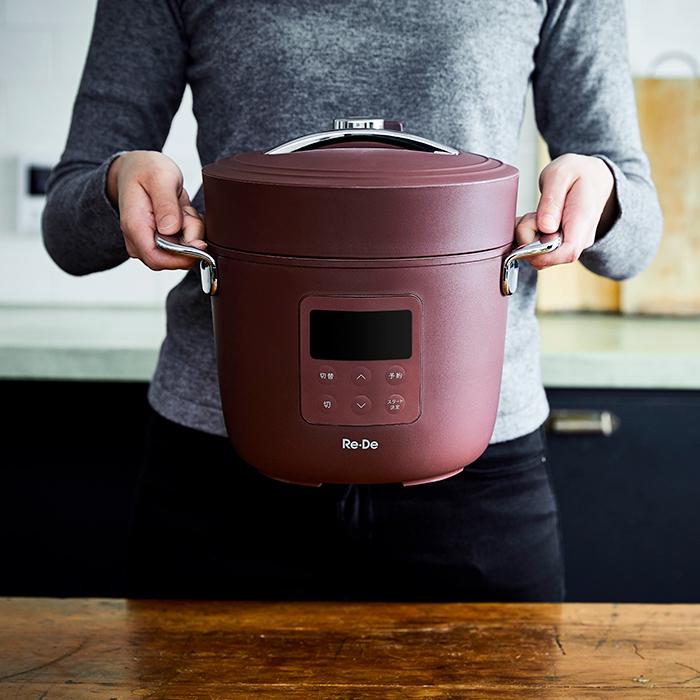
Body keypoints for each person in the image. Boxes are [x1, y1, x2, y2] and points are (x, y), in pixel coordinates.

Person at [43, 0, 662, 601]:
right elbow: (68, 225)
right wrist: (118, 183)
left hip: (478, 475)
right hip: (219, 468)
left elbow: (635, 238)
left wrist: (602, 194)